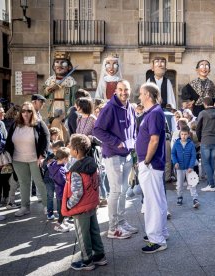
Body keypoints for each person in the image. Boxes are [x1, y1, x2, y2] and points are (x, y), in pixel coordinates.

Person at [93, 79, 138, 239]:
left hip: (127, 155)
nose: (123, 92)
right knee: (115, 191)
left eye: (126, 90)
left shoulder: (130, 108)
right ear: (115, 91)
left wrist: (132, 146)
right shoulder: (109, 108)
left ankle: (121, 221)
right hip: (113, 155)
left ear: (129, 91)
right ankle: (113, 228)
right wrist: (116, 142)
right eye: (120, 90)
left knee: (124, 191)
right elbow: (97, 130)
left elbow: (133, 131)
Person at [62, 134, 107, 271]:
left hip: (80, 208)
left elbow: (77, 192)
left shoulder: (76, 170)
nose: (69, 149)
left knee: (83, 235)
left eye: (70, 147)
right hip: (92, 204)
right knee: (94, 230)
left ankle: (87, 261)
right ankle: (100, 256)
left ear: (76, 151)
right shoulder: (93, 163)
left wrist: (69, 204)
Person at [136, 82, 169, 253]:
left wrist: (146, 160)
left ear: (148, 95)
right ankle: (161, 232)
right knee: (158, 200)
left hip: (151, 164)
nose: (139, 96)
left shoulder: (154, 113)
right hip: (150, 164)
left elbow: (154, 140)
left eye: (141, 93)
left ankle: (157, 239)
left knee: (152, 202)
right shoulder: (153, 112)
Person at [5, 102, 49, 217]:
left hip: (35, 159)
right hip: (18, 159)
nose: (26, 113)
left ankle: (47, 206)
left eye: (29, 111)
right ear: (20, 112)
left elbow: (46, 137)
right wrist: (7, 154)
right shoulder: (15, 124)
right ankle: (25, 207)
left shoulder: (38, 123)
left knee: (39, 182)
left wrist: (42, 155)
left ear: (32, 112)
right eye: (23, 111)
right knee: (24, 183)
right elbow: (9, 140)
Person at [196, 97, 215, 192]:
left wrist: (200, 139)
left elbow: (198, 128)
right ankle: (210, 183)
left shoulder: (202, 113)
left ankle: (211, 184)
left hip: (205, 140)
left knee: (205, 162)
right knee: (212, 162)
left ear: (204, 104)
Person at [171, 126, 199, 208]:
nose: (183, 136)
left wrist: (191, 166)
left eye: (185, 134)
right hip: (179, 168)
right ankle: (179, 196)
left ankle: (195, 198)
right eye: (182, 134)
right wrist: (175, 162)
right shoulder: (176, 143)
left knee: (192, 184)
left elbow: (193, 156)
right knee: (179, 184)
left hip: (189, 168)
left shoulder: (191, 144)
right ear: (180, 134)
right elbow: (173, 154)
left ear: (188, 135)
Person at [43, 52, 78, 117]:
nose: (59, 65)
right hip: (53, 107)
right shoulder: (50, 80)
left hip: (65, 108)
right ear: (54, 66)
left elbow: (74, 99)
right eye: (57, 62)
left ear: (69, 67)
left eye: (63, 63)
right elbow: (44, 95)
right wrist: (50, 88)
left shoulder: (72, 82)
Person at [48, 147, 72, 232]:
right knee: (63, 210)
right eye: (69, 157)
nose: (70, 159)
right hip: (63, 193)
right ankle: (58, 225)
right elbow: (64, 182)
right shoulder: (60, 170)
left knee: (62, 208)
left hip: (59, 192)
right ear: (65, 158)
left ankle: (64, 222)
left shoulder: (54, 164)